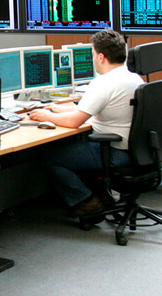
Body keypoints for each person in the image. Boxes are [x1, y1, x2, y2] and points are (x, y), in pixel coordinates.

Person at [28, 29, 144, 218]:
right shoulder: (133, 78)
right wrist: (63, 109)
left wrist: (45, 116)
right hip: (136, 149)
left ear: (101, 57)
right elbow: (99, 109)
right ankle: (101, 195)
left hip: (115, 151)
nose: (93, 58)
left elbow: (74, 122)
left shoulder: (104, 83)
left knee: (49, 157)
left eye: (93, 54)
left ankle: (87, 201)